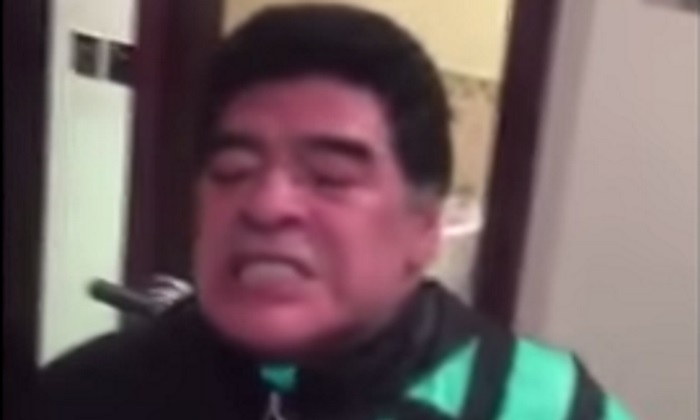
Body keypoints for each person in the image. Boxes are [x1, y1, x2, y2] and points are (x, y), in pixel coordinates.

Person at [41, 5, 634, 419]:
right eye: (234, 169)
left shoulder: (536, 405)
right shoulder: (88, 395)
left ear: (425, 228)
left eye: (329, 177)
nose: (267, 204)